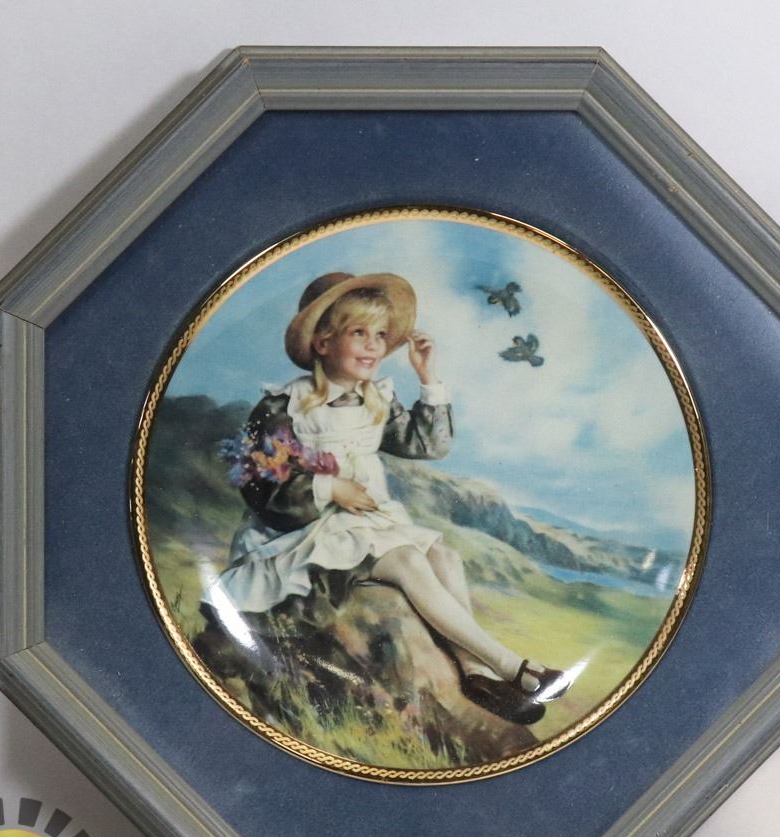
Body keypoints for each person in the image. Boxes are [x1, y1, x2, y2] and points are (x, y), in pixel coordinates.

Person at [209, 271, 568, 724]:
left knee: (446, 558)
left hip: (366, 523)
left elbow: (428, 445)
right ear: (322, 342)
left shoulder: (375, 398)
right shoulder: (286, 404)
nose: (374, 346)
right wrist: (330, 487)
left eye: (380, 335)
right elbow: (260, 486)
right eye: (359, 333)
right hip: (305, 530)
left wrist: (427, 377)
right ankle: (513, 665)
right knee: (409, 561)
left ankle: (475, 672)